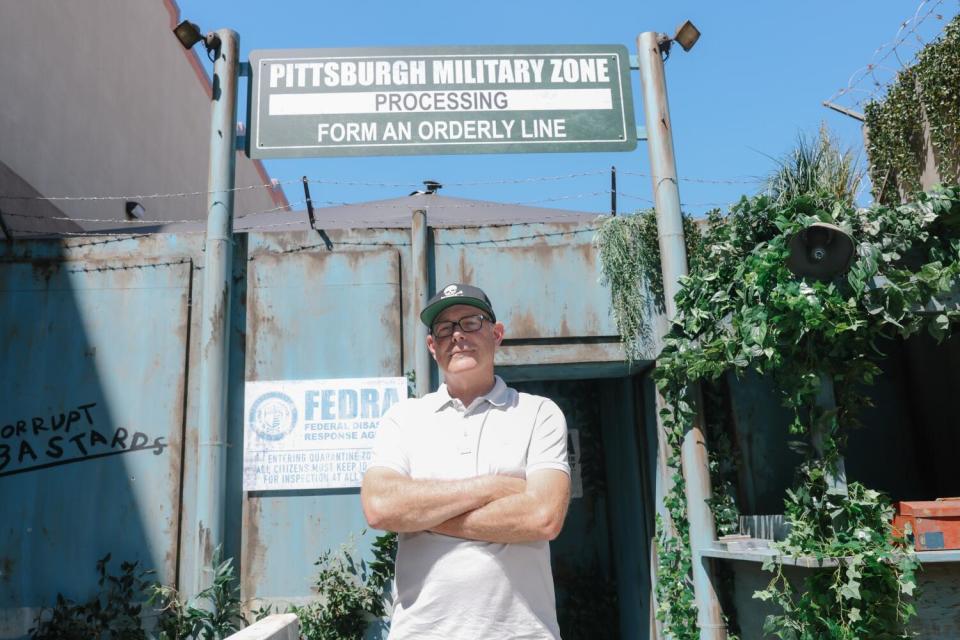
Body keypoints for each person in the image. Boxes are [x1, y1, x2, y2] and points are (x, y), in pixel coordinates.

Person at [361, 283, 571, 640]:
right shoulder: (404, 418)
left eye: (471, 322)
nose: (457, 335)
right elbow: (381, 508)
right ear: (433, 346)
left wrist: (424, 516)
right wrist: (493, 487)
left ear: (497, 333)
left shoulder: (539, 413)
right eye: (444, 328)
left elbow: (543, 517)